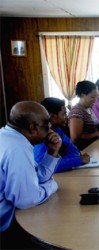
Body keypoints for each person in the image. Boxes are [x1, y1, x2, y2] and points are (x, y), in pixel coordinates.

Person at [0, 101, 62, 248]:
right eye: (47, 125)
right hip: (6, 230)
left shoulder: (8, 136)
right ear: (33, 127)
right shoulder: (17, 148)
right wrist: (52, 185)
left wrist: (52, 152)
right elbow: (26, 199)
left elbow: (35, 177)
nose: (50, 129)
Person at [34, 97, 91, 172]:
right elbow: (42, 167)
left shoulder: (58, 130)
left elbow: (75, 151)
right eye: (64, 114)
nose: (67, 117)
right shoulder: (40, 137)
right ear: (53, 116)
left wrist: (64, 162)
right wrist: (77, 160)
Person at [69, 80, 99, 150]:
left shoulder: (88, 110)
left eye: (96, 97)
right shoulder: (77, 111)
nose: (95, 100)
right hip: (84, 151)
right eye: (92, 97)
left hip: (94, 147)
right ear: (82, 95)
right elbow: (75, 138)